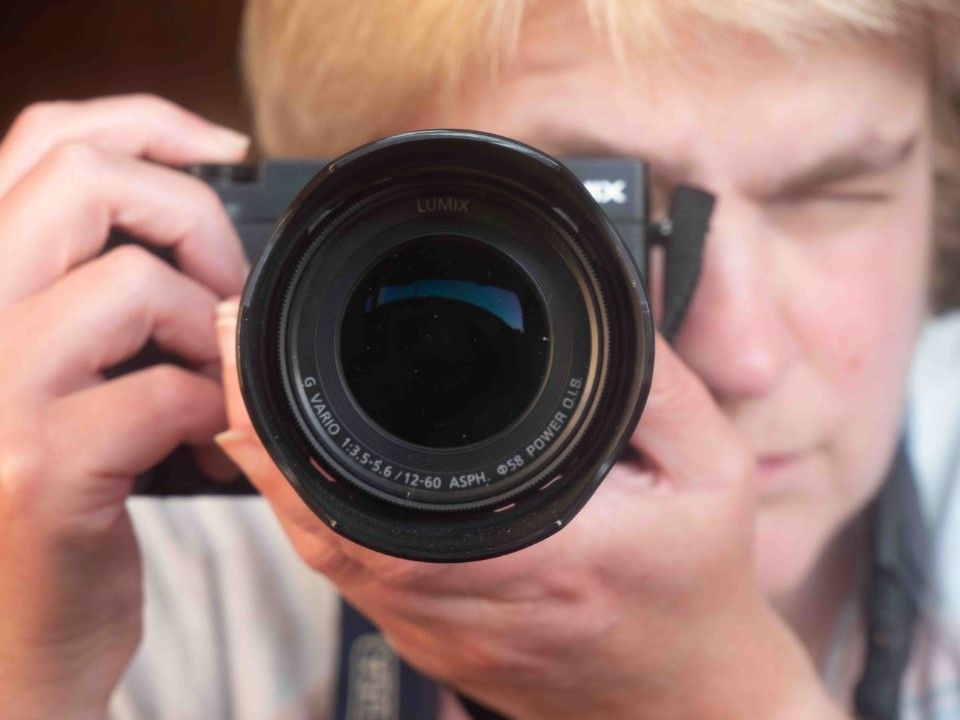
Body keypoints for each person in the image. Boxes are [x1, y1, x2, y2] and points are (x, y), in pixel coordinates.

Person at [0, 0, 958, 718]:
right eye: (596, 226)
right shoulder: (133, 560)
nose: (743, 354)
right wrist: (34, 674)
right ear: (330, 232)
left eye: (836, 194)